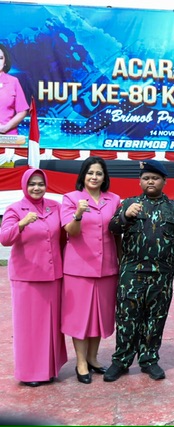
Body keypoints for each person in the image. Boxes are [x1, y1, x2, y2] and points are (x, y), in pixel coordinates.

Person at [104, 160, 174, 382]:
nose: (150, 181)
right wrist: (125, 216)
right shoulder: (129, 203)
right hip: (132, 272)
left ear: (164, 181)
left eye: (155, 178)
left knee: (156, 318)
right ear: (140, 181)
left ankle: (149, 359)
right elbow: (112, 228)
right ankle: (121, 360)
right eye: (146, 178)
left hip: (162, 274)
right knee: (126, 317)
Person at [0, 168, 67, 386]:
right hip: (27, 278)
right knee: (29, 327)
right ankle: (30, 373)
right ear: (24, 186)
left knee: (50, 325)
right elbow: (4, 238)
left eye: (40, 184)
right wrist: (21, 224)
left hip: (53, 276)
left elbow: (64, 236)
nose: (36, 188)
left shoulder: (55, 207)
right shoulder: (15, 209)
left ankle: (49, 369)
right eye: (32, 184)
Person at [60, 156, 120, 384]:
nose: (94, 177)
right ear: (83, 175)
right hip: (79, 268)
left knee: (100, 316)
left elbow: (118, 232)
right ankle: (81, 362)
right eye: (90, 173)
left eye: (99, 173)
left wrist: (121, 260)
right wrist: (78, 214)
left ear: (105, 177)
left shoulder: (114, 200)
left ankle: (93, 358)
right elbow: (71, 231)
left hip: (107, 267)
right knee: (79, 318)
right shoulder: (71, 198)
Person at [0, 44, 28, 135]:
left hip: (8, 136)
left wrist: (5, 128)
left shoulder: (13, 81)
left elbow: (23, 110)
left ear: (5, 62)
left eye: (0, 58)